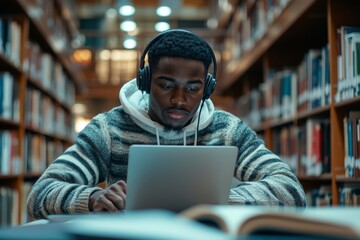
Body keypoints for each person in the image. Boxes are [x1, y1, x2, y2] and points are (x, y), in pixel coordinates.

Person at [27, 29, 306, 220]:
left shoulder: (228, 130)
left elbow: (290, 191)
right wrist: (91, 198)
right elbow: (40, 194)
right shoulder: (109, 130)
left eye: (193, 88)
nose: (179, 99)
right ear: (146, 81)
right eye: (166, 85)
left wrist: (220, 200)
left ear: (206, 89)